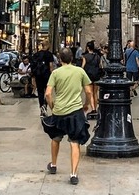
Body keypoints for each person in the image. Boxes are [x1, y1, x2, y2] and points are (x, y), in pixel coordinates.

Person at [42, 47, 93, 186]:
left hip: (59, 111)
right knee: (75, 142)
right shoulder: (80, 71)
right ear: (72, 58)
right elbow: (89, 91)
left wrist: (52, 106)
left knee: (55, 138)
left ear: (60, 59)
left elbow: (47, 93)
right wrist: (86, 104)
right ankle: (73, 174)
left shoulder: (56, 73)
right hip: (75, 112)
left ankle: (53, 164)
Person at [32, 41, 55, 116]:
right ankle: (45, 105)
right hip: (47, 75)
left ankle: (41, 106)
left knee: (40, 92)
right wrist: (53, 75)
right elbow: (51, 66)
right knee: (48, 91)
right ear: (47, 45)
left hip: (38, 75)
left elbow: (33, 66)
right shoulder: (49, 54)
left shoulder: (36, 54)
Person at [80, 41, 102, 118]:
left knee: (90, 93)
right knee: (95, 93)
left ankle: (93, 109)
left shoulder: (85, 56)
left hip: (88, 76)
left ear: (87, 48)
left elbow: (83, 66)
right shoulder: (97, 56)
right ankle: (95, 108)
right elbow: (100, 66)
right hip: (96, 76)